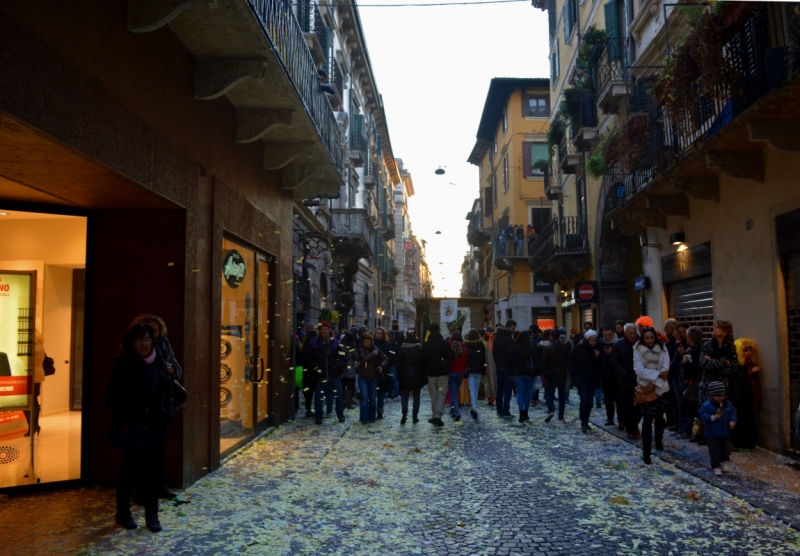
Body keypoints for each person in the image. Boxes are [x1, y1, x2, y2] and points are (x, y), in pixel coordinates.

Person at [106, 323, 172, 532]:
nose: (144, 345)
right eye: (139, 340)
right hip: (132, 426)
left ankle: (152, 516)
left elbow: (168, 391)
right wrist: (133, 414)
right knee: (130, 471)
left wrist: (165, 414)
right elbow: (112, 399)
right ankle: (123, 512)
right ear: (131, 342)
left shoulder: (159, 362)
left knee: (152, 472)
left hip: (153, 426)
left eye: (147, 340)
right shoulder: (124, 363)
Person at [132, 315, 182, 500]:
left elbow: (177, 369)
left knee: (157, 452)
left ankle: (159, 488)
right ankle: (139, 491)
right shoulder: (132, 353)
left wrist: (170, 369)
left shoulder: (163, 344)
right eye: (148, 332)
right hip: (140, 411)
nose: (151, 337)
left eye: (154, 331)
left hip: (161, 408)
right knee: (139, 454)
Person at [634, 327, 671, 465]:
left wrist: (655, 382)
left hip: (661, 388)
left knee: (660, 418)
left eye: (651, 337)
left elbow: (665, 369)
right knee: (647, 421)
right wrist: (656, 377)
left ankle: (659, 440)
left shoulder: (663, 348)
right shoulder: (637, 349)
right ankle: (646, 451)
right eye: (646, 338)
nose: (649, 340)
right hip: (646, 389)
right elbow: (639, 370)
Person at [698, 320, 738, 446]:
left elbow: (734, 367)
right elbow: (704, 363)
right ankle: (707, 436)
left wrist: (714, 362)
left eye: (717, 327)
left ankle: (723, 437)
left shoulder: (730, 347)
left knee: (722, 411)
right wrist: (723, 362)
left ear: (724, 332)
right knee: (707, 410)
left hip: (723, 385)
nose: (713, 329)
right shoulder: (707, 346)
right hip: (708, 384)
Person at [419, 323, 455, 427]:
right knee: (441, 393)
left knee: (433, 393)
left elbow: (422, 359)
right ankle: (438, 415)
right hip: (443, 372)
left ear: (430, 331)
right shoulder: (444, 343)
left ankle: (435, 414)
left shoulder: (426, 344)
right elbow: (451, 356)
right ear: (439, 331)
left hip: (431, 372)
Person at [698, 381, 738, 476]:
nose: (720, 398)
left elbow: (733, 412)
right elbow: (703, 415)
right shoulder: (707, 405)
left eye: (722, 395)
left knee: (726, 449)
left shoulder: (727, 404)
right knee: (714, 451)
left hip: (725, 432)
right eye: (717, 396)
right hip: (712, 433)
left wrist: (733, 421)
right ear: (712, 395)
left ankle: (724, 461)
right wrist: (714, 417)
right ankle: (715, 466)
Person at [310, 322, 345, 424]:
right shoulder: (314, 343)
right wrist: (314, 366)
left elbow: (342, 355)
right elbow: (309, 356)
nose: (324, 331)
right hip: (320, 374)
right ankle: (319, 416)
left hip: (334, 374)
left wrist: (338, 366)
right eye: (322, 329)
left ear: (329, 330)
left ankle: (340, 414)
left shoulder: (335, 342)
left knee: (338, 395)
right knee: (319, 396)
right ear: (319, 331)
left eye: (326, 329)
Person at [611, 323, 641, 439]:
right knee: (627, 406)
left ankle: (634, 425)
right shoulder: (619, 345)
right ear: (625, 333)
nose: (633, 336)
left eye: (634, 333)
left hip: (640, 378)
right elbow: (614, 361)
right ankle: (630, 429)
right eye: (630, 334)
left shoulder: (641, 343)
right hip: (625, 380)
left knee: (640, 405)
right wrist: (623, 373)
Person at [569, 330, 601, 434]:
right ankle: (583, 422)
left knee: (589, 402)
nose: (593, 342)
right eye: (591, 340)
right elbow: (571, 360)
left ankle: (586, 421)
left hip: (592, 378)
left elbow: (600, 364)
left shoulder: (597, 349)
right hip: (581, 378)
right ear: (587, 339)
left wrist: (598, 357)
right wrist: (575, 372)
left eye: (594, 340)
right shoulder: (579, 347)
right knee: (584, 399)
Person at [730, 338, 758, 450]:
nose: (748, 352)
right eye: (745, 350)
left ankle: (748, 442)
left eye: (750, 350)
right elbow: (740, 381)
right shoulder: (737, 366)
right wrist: (751, 372)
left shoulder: (749, 363)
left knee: (749, 420)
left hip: (747, 396)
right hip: (740, 398)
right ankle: (740, 442)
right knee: (741, 420)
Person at [678, 326, 703, 440]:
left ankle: (687, 430)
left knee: (690, 406)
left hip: (693, 382)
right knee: (689, 406)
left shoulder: (695, 350)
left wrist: (685, 362)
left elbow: (694, 367)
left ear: (691, 337)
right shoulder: (693, 349)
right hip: (692, 381)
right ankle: (686, 430)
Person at [356, 332, 386, 424]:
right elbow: (364, 359)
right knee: (365, 398)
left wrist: (382, 366)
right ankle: (364, 418)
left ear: (371, 341)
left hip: (373, 377)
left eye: (368, 342)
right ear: (362, 342)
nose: (367, 344)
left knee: (372, 398)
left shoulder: (376, 349)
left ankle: (372, 417)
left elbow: (385, 358)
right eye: (365, 342)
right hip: (363, 376)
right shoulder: (361, 349)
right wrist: (373, 354)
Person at [542, 329, 570, 423]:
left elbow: (544, 362)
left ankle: (551, 410)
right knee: (562, 395)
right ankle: (561, 416)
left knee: (549, 394)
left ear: (551, 336)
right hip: (562, 373)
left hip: (551, 373)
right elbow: (567, 360)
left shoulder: (548, 348)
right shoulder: (564, 347)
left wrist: (545, 372)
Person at [397, 331, 425, 424]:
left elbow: (399, 364)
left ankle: (404, 414)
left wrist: (399, 376)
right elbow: (422, 363)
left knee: (404, 396)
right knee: (416, 397)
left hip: (404, 374)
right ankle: (414, 416)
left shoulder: (402, 349)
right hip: (417, 374)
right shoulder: (419, 349)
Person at [24, 330, 46, 437]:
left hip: (32, 375)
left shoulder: (33, 345)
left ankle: (33, 426)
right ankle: (34, 426)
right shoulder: (40, 343)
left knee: (27, 402)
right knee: (33, 401)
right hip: (37, 375)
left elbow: (26, 359)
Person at [509, 330, 535, 423]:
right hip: (529, 372)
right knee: (527, 393)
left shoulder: (514, 347)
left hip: (518, 372)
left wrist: (511, 373)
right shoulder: (531, 347)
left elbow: (511, 362)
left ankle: (521, 414)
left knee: (520, 393)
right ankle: (526, 413)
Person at [492, 321, 516, 419]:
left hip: (499, 366)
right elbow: (510, 356)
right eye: (513, 328)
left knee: (500, 388)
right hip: (506, 368)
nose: (513, 330)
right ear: (507, 327)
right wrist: (511, 371)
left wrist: (498, 363)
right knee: (507, 390)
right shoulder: (508, 339)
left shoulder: (496, 338)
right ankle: (506, 410)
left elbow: (494, 354)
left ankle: (499, 409)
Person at [667, 323, 688, 433]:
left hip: (684, 377)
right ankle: (678, 424)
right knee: (677, 401)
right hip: (675, 375)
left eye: (683, 332)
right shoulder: (675, 343)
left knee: (682, 402)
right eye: (679, 332)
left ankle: (682, 426)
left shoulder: (687, 345)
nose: (681, 334)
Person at [599, 326, 619, 427]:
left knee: (619, 400)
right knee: (608, 399)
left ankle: (621, 419)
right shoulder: (601, 344)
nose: (607, 337)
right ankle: (610, 417)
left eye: (609, 335)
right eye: (605, 335)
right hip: (605, 376)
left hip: (617, 376)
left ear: (613, 334)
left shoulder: (619, 344)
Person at [464, 328, 487, 420]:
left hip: (470, 370)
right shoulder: (481, 345)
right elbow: (484, 359)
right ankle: (474, 408)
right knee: (475, 390)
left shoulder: (467, 345)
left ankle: (474, 408)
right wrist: (484, 370)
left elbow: (465, 359)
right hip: (479, 370)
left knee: (472, 390)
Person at [373, 327, 394, 420]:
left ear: (383, 334)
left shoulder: (387, 344)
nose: (378, 335)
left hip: (383, 372)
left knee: (381, 393)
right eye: (377, 333)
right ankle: (372, 412)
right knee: (372, 394)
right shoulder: (371, 343)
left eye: (380, 333)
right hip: (372, 372)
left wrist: (384, 365)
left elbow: (390, 357)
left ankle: (380, 412)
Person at [447, 330, 467, 421]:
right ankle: (452, 410)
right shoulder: (463, 347)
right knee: (455, 392)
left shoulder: (449, 346)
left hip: (451, 372)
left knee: (454, 393)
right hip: (460, 373)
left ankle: (457, 411)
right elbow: (465, 360)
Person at [299, 330, 318, 418]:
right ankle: (313, 410)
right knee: (314, 391)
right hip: (312, 372)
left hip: (304, 371)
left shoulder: (304, 346)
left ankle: (308, 409)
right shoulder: (312, 346)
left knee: (307, 392)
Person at [340, 332, 358, 409]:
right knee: (350, 386)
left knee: (343, 385)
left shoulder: (341, 345)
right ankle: (348, 402)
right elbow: (356, 356)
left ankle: (342, 401)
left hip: (342, 368)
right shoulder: (352, 347)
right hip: (350, 368)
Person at [483, 327, 497, 405]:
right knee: (493, 379)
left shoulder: (484, 342)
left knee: (488, 380)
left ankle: (490, 396)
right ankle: (493, 395)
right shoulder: (494, 342)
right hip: (493, 364)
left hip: (487, 364)